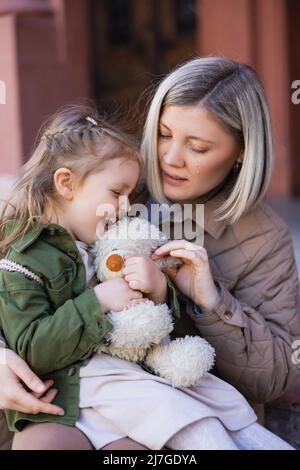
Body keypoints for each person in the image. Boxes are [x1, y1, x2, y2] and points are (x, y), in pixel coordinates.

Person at [1, 56, 299, 449]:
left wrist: (207, 301)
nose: (170, 158)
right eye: (162, 133)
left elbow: (276, 375)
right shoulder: (109, 177)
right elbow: (13, 277)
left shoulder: (263, 240)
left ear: (242, 152)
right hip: (73, 391)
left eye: (197, 147)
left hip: (180, 408)